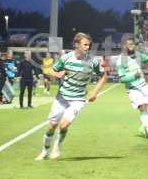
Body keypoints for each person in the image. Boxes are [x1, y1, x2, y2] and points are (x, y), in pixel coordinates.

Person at [35, 33, 108, 161]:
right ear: (76, 45)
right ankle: (45, 151)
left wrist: (95, 92)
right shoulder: (66, 58)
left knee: (64, 125)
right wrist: (56, 74)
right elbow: (51, 70)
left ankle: (57, 146)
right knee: (52, 126)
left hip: (78, 99)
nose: (87, 47)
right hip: (61, 97)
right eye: (85, 44)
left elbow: (104, 75)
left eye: (88, 45)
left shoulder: (93, 61)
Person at [116, 38, 148, 141]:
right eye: (128, 44)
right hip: (132, 88)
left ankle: (144, 126)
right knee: (142, 106)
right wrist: (135, 75)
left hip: (143, 85)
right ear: (123, 46)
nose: (131, 46)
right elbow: (122, 79)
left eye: (132, 44)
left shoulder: (138, 55)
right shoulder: (121, 60)